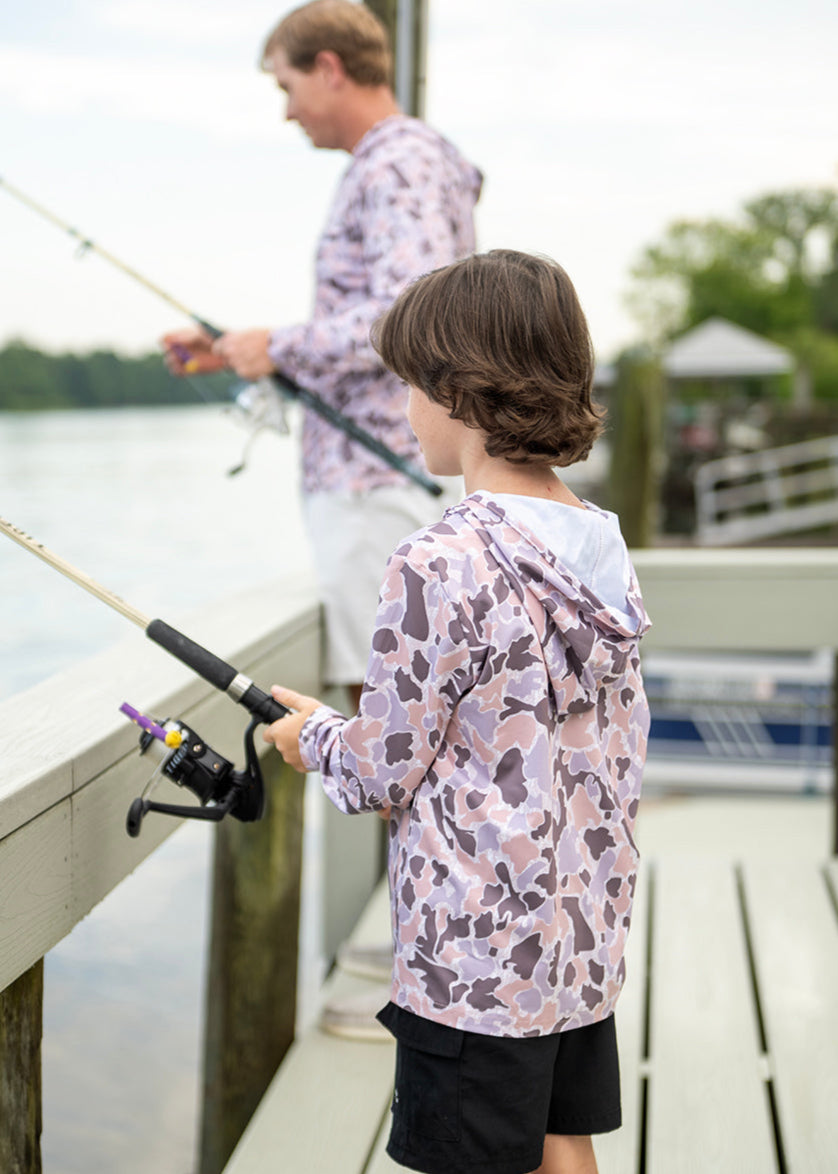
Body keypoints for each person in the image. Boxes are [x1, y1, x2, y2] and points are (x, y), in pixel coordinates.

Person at [264, 249, 652, 1174]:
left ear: (459, 392)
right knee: (563, 1142)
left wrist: (310, 735)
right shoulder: (600, 544)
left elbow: (382, 769)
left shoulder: (436, 561)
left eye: (410, 387)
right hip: (578, 938)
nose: (404, 411)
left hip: (472, 960)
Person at [161, 0, 482, 707]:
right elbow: (394, 313)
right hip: (386, 482)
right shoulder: (412, 161)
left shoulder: (397, 164)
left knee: (398, 712)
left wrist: (277, 342)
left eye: (287, 86)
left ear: (329, 69)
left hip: (377, 486)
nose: (286, 111)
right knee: (409, 710)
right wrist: (235, 350)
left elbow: (409, 312)